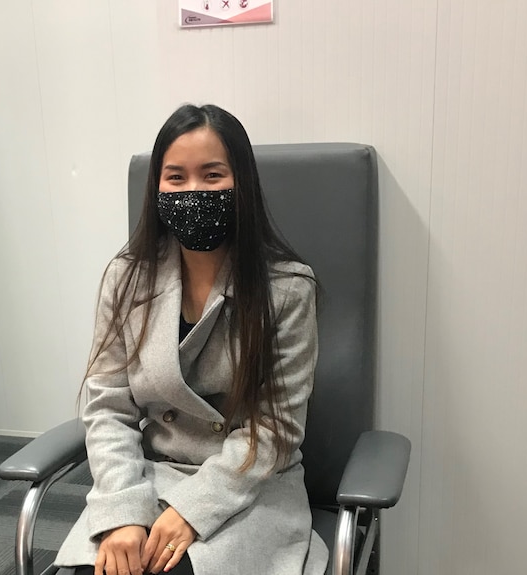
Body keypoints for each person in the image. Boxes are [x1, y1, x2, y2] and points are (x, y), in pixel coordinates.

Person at [54, 104, 327, 575]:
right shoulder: (127, 278)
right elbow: (107, 407)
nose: (193, 191)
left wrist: (193, 510)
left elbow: (275, 429)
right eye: (175, 178)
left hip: (246, 486)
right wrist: (122, 513)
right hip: (150, 476)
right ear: (156, 189)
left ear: (241, 183)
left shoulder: (286, 288)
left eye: (212, 175)